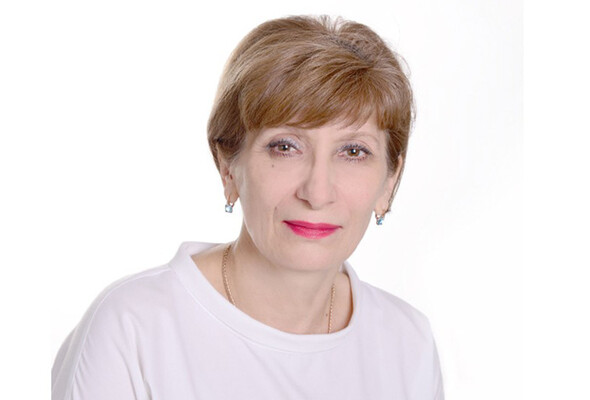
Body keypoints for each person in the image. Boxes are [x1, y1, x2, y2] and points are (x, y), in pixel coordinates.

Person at [51, 15, 444, 399]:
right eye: (285, 147)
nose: (317, 192)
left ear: (389, 179)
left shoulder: (408, 343)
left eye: (353, 151)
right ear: (228, 165)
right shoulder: (133, 328)